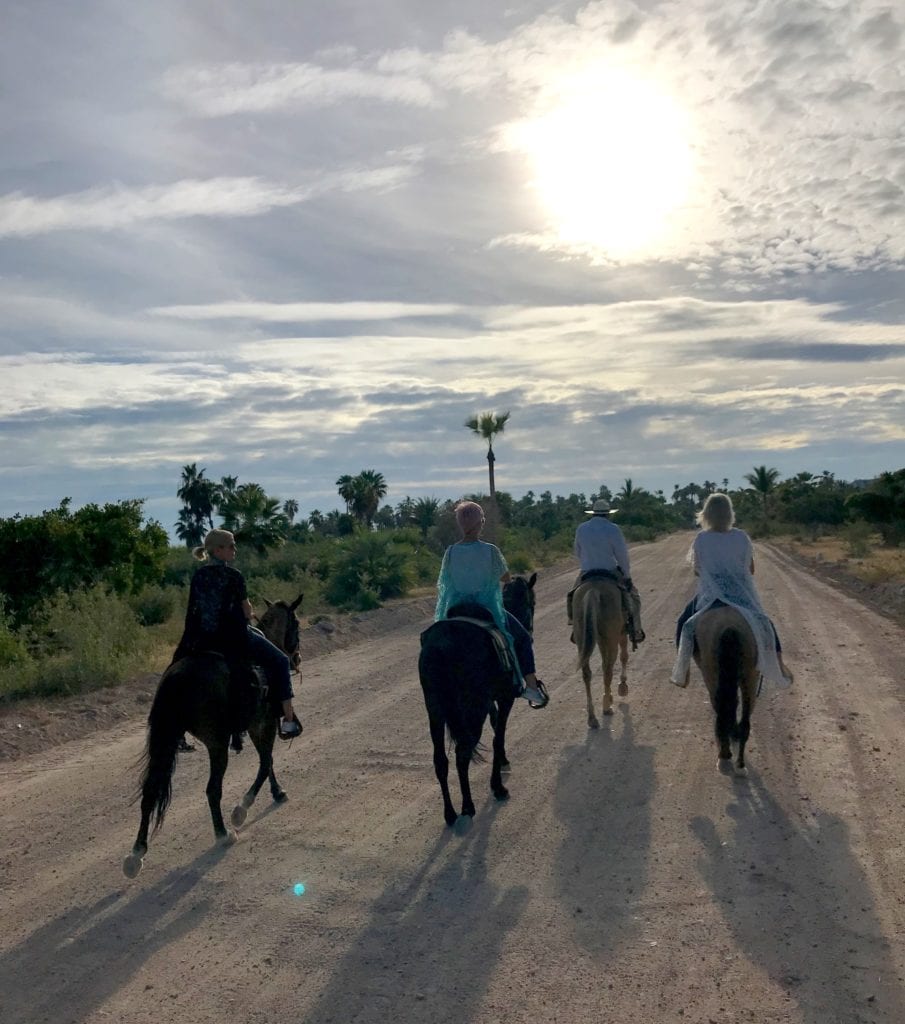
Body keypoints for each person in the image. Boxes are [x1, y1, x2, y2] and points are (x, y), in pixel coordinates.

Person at [174, 528, 302, 739]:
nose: (235, 549)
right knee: (280, 661)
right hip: (233, 637)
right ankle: (288, 722)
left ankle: (176, 730)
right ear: (218, 550)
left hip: (201, 638)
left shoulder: (198, 576)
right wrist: (250, 613)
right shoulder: (234, 576)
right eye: (231, 545)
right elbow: (245, 610)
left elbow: (195, 610)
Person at [670, 493, 793, 687]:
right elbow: (750, 569)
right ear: (729, 514)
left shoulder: (701, 538)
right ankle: (778, 664)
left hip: (711, 595)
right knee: (765, 621)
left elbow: (697, 570)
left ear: (707, 514)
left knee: (683, 623)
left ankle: (682, 671)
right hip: (741, 594)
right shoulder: (741, 536)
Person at [434, 500, 549, 708]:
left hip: (455, 609)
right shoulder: (491, 550)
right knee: (521, 637)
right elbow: (506, 578)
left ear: (461, 524)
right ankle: (531, 687)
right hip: (486, 609)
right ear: (479, 524)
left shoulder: (450, 552)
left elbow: (445, 584)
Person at [567, 499, 644, 646]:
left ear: (593, 513)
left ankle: (575, 626)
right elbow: (622, 556)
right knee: (634, 597)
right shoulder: (613, 529)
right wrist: (627, 576)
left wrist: (589, 560)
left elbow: (577, 552)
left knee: (572, 595)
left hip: (587, 573)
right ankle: (636, 630)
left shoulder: (581, 528)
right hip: (610, 571)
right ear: (608, 514)